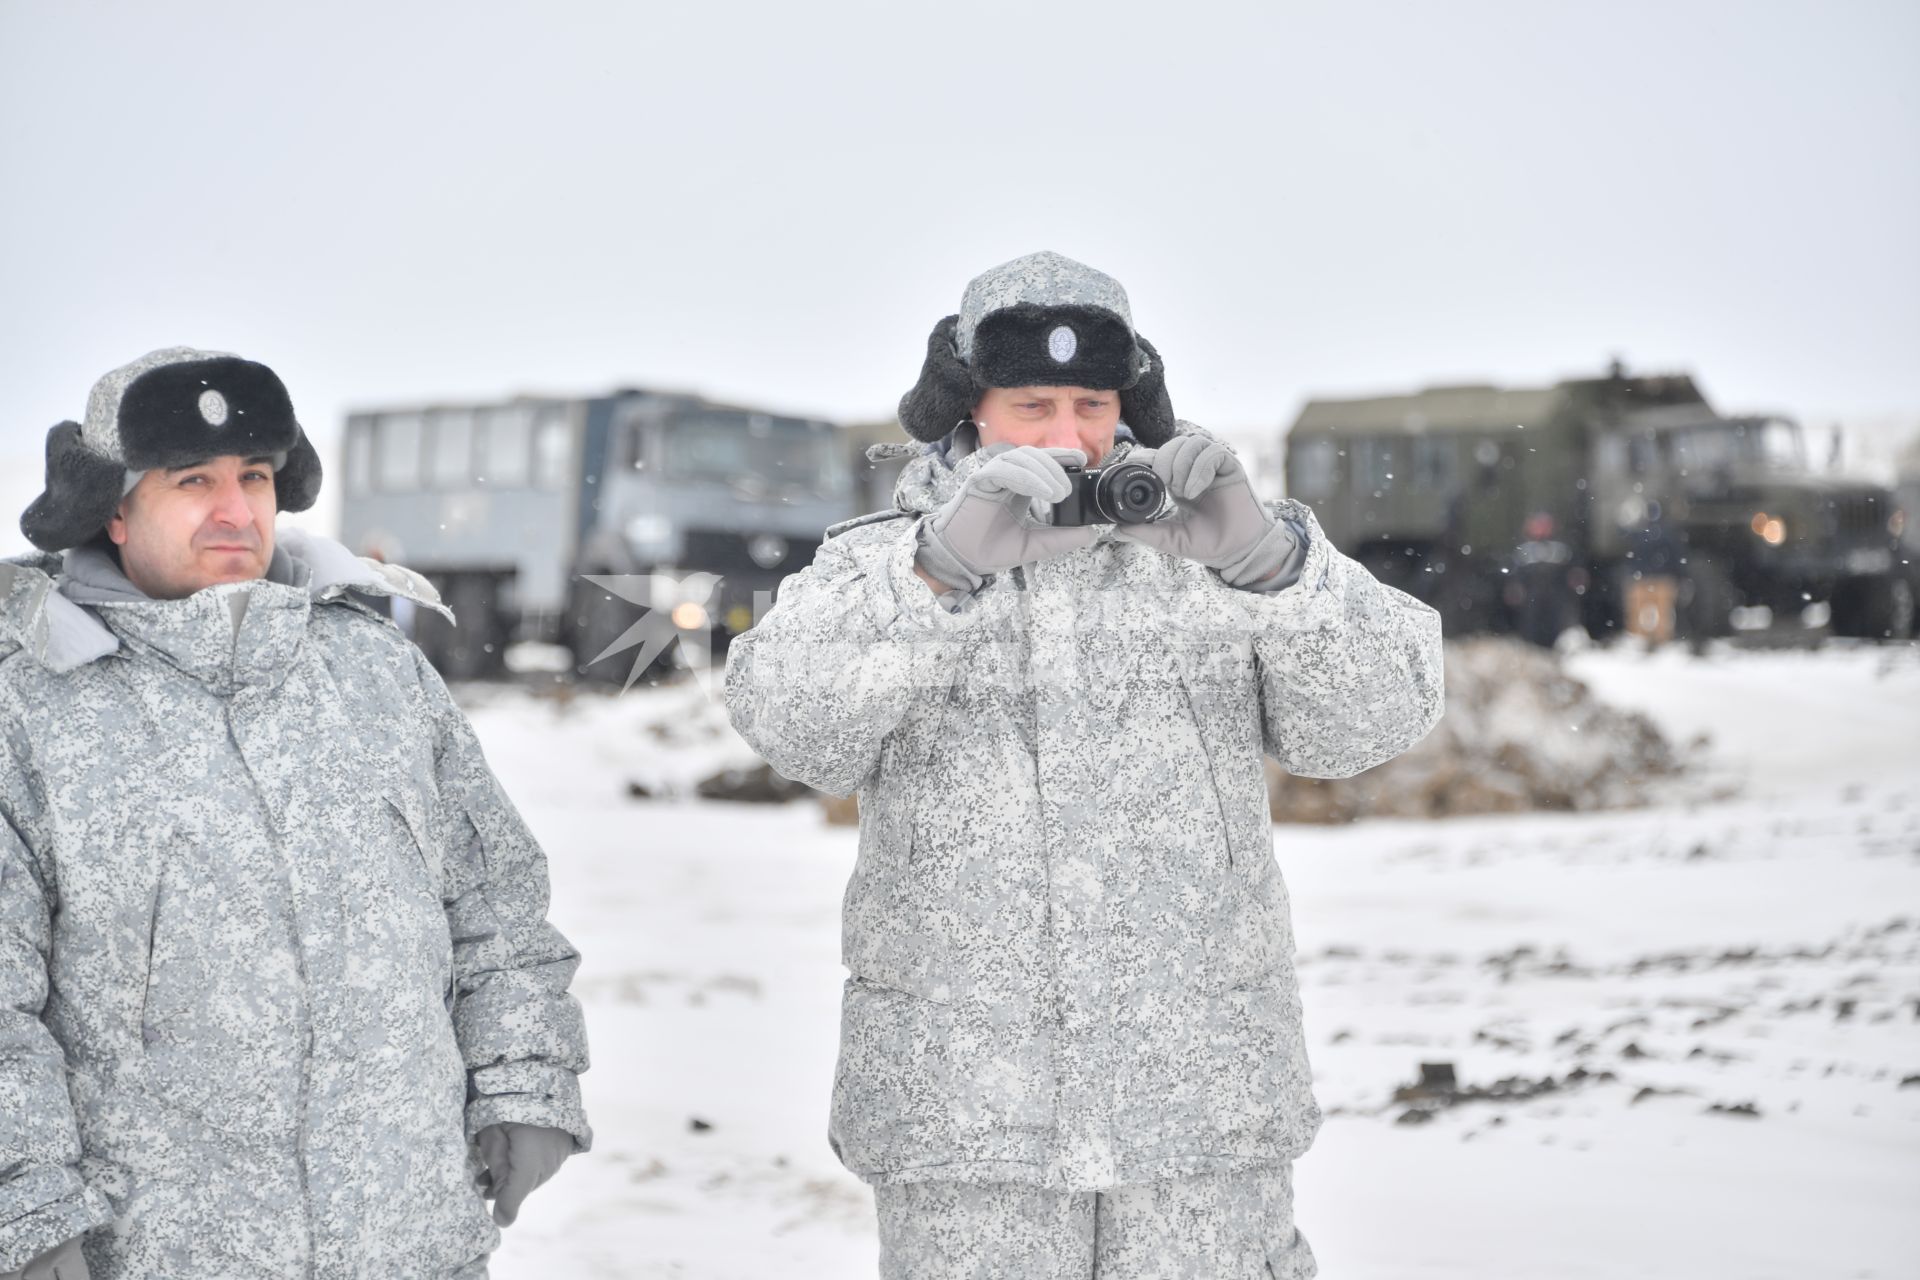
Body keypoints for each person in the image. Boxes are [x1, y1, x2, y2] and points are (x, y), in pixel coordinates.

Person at [726, 252, 1444, 1278]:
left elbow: (1368, 725)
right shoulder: (878, 569)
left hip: (1198, 1122)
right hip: (971, 1128)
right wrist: (936, 572)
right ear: (967, 413)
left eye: (1091, 403)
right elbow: (796, 730)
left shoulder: (1202, 556)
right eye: (1031, 405)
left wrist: (1275, 567)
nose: (1066, 438)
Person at [0, 349, 590, 1279]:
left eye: (256, 477)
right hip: (157, 1255)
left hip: (413, 1240)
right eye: (192, 480)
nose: (236, 511)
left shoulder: (378, 671)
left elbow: (495, 907)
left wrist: (525, 1082)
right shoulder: (28, 708)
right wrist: (26, 1213)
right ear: (111, 507)